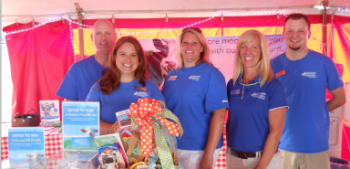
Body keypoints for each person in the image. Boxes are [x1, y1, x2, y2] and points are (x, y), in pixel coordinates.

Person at [270, 13, 346, 169]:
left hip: (316, 146)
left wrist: (319, 110)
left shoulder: (324, 63)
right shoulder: (273, 65)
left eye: (300, 31)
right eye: (290, 31)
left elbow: (340, 98)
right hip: (283, 145)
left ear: (309, 34)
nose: (295, 35)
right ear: (283, 33)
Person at [161, 27, 229, 169]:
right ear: (180, 47)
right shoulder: (172, 75)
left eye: (194, 43)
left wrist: (208, 155)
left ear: (202, 48)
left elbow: (219, 115)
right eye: (185, 43)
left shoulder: (212, 74)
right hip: (173, 146)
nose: (189, 47)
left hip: (199, 149)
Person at [226, 30, 288, 169]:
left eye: (254, 47)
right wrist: (230, 154)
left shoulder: (273, 86)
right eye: (244, 46)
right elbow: (231, 122)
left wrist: (260, 166)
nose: (248, 52)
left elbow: (276, 131)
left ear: (262, 52)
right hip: (234, 159)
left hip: (264, 161)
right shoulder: (232, 84)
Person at [86, 36, 165, 135]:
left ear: (139, 60)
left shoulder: (151, 89)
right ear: (115, 57)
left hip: (142, 150)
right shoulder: (98, 89)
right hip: (108, 149)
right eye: (123, 54)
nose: (128, 59)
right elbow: (87, 125)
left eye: (133, 55)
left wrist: (144, 128)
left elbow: (164, 123)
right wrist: (120, 128)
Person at [56, 19, 116, 101]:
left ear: (115, 37)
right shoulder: (77, 69)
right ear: (92, 38)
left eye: (108, 33)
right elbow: (69, 107)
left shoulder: (124, 68)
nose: (103, 38)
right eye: (98, 34)